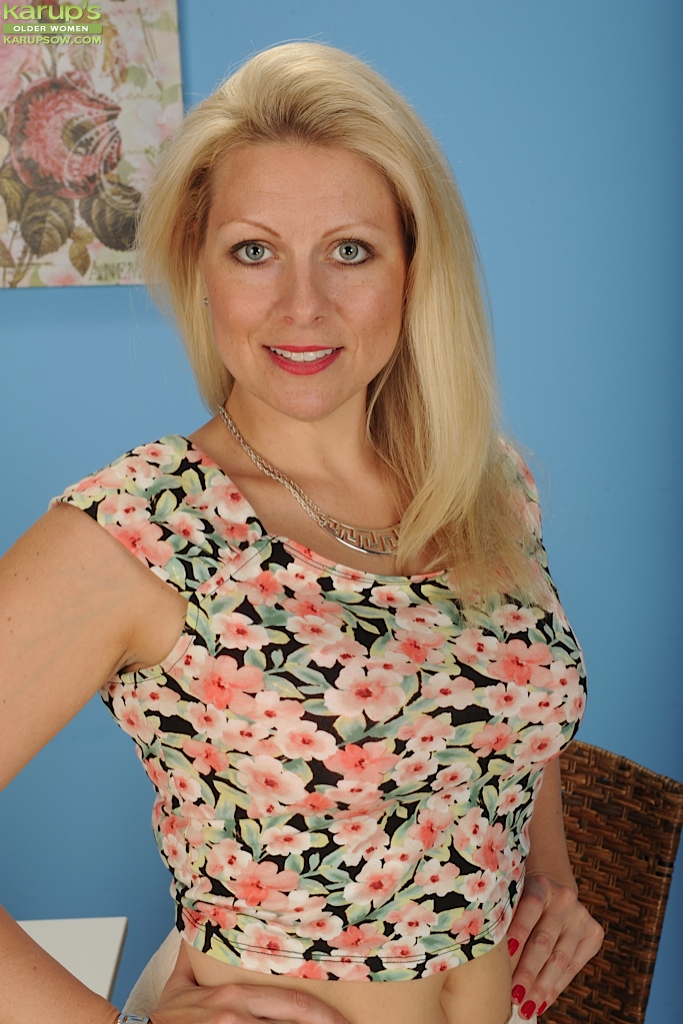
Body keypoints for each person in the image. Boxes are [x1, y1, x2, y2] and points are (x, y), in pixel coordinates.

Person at [0, 41, 603, 1024]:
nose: (302, 305)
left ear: (413, 266)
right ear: (199, 264)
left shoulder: (486, 484)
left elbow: (495, 707)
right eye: (254, 250)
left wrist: (550, 876)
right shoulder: (147, 526)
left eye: (350, 250)